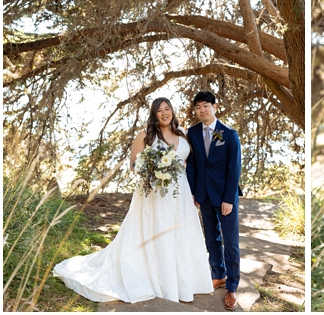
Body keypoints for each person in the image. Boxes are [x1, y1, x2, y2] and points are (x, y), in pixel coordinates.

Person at [53, 97, 214, 303]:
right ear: (154, 114)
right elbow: (133, 164)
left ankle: (180, 282)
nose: (164, 113)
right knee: (153, 230)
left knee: (178, 232)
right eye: (159, 111)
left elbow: (190, 165)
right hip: (153, 192)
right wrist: (154, 170)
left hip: (179, 193)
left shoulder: (183, 134)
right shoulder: (146, 135)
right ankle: (155, 279)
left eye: (167, 109)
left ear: (172, 111)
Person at [186, 91, 243, 311]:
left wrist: (229, 199)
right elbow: (191, 165)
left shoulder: (229, 134)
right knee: (212, 238)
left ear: (215, 107)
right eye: (198, 107)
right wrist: (193, 192)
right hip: (204, 195)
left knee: (231, 242)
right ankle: (217, 275)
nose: (202, 110)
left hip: (225, 197)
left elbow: (234, 168)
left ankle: (232, 286)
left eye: (206, 106)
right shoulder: (192, 133)